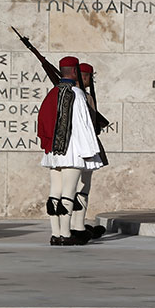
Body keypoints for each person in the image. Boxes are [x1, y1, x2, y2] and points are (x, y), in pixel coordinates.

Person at [37, 56, 105, 246]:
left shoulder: (52, 93)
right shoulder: (77, 94)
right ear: (75, 71)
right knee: (69, 192)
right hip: (73, 151)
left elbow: (42, 122)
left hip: (53, 152)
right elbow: (84, 125)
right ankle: (66, 234)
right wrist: (90, 151)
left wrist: (49, 146)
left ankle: (55, 234)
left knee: (54, 193)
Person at [69, 62, 108, 244]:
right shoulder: (84, 96)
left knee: (71, 188)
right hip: (85, 147)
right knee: (83, 187)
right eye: (90, 77)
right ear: (84, 77)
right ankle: (77, 227)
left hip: (72, 148)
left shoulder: (68, 94)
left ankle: (71, 226)